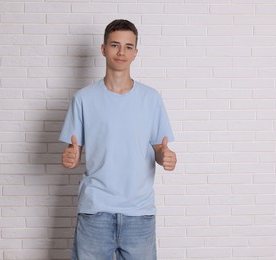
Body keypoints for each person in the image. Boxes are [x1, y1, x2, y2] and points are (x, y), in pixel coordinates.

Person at [59, 19, 177, 260]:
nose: (121, 52)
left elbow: (159, 148)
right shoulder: (83, 99)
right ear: (103, 49)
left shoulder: (151, 99)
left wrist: (164, 155)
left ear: (135, 52)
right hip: (95, 212)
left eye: (128, 46)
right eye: (115, 45)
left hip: (139, 213)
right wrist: (70, 157)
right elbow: (74, 152)